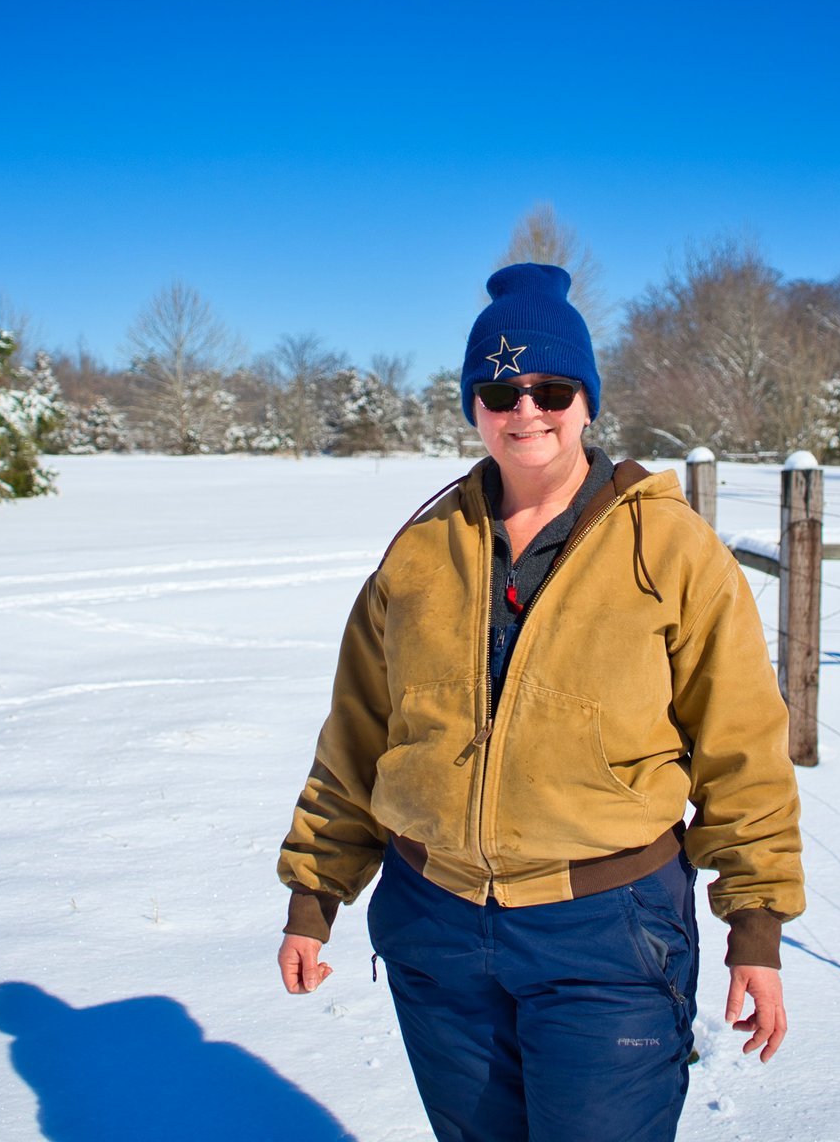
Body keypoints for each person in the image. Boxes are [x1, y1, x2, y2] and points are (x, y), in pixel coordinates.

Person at [276, 262, 804, 1142]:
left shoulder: (671, 549)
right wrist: (314, 895)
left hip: (606, 932)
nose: (527, 410)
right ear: (474, 406)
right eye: (500, 389)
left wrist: (754, 927)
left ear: (587, 400)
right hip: (435, 926)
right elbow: (358, 739)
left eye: (551, 388)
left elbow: (742, 749)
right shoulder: (419, 551)